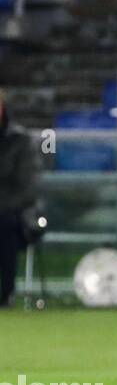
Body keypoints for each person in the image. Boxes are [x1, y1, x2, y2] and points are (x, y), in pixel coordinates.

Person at [0, 88, 40, 308]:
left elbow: (27, 188)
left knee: (5, 227)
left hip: (13, 214)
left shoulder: (21, 142)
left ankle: (5, 294)